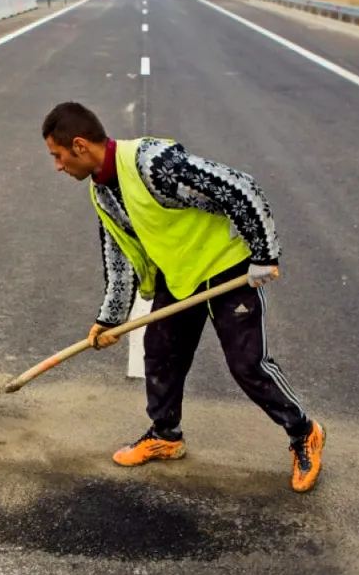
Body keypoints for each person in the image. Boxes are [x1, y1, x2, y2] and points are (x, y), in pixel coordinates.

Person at [40, 101, 326, 493]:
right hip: (179, 278)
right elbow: (120, 255)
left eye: (57, 156)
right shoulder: (102, 192)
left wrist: (264, 253)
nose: (57, 166)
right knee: (161, 354)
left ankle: (304, 432)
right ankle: (166, 435)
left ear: (79, 146)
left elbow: (240, 186)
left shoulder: (152, 163)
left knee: (247, 365)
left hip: (228, 269)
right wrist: (110, 319)